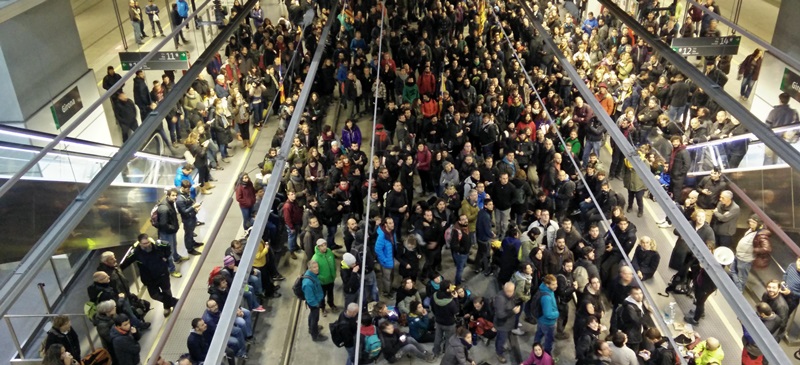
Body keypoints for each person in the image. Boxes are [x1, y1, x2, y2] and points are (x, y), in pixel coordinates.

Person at [121, 234, 179, 316]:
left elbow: (168, 246)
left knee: (166, 291)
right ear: (140, 243)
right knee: (154, 295)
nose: (147, 244)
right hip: (149, 278)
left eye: (148, 242)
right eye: (144, 243)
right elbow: (126, 262)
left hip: (162, 274)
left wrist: (165, 257)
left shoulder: (158, 245)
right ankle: (175, 302)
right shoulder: (136, 252)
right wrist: (118, 269)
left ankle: (167, 307)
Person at [731, 215, 765, 292]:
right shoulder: (751, 229)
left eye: (754, 222)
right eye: (750, 221)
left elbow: (765, 248)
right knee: (732, 270)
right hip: (738, 255)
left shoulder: (759, 235)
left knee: (741, 278)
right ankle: (736, 287)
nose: (751, 223)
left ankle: (739, 292)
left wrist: (755, 250)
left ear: (758, 224)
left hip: (745, 260)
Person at [156, 188, 186, 273]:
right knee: (168, 252)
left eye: (176, 195)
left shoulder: (171, 203)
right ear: (167, 196)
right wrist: (173, 228)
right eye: (173, 195)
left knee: (174, 245)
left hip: (171, 232)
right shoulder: (164, 208)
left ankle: (176, 257)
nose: (175, 197)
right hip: (166, 233)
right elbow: (163, 224)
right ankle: (171, 269)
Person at [431, 280, 459, 358]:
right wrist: (456, 298)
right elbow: (456, 312)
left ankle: (436, 352)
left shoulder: (434, 295)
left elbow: (432, 307)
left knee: (438, 337)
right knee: (449, 340)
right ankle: (447, 355)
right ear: (447, 289)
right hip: (449, 324)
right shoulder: (451, 302)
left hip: (438, 321)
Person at [176, 180, 204, 256]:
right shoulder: (180, 200)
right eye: (187, 189)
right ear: (183, 188)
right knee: (188, 234)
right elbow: (184, 211)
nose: (189, 190)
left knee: (191, 232)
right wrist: (193, 207)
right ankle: (190, 249)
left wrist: (194, 210)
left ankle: (192, 242)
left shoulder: (185, 194)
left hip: (192, 215)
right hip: (187, 219)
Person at [533, 274, 559, 355]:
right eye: (553, 284)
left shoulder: (544, 289)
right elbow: (548, 314)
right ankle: (547, 354)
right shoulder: (546, 297)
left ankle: (535, 348)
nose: (556, 286)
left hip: (540, 320)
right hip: (548, 323)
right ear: (547, 284)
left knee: (539, 334)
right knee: (549, 340)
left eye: (556, 283)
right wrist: (557, 313)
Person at [302, 260, 327, 341]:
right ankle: (315, 335)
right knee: (315, 319)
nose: (317, 269)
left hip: (316, 301)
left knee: (312, 316)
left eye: (317, 267)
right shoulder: (307, 283)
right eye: (314, 267)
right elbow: (310, 297)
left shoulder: (312, 275)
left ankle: (311, 328)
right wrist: (316, 304)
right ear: (310, 268)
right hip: (314, 304)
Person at [312, 239, 338, 316]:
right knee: (321, 296)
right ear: (318, 247)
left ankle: (331, 304)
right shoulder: (315, 258)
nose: (324, 247)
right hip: (322, 282)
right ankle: (322, 308)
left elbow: (333, 262)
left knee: (330, 293)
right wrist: (321, 278)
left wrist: (334, 272)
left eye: (325, 245)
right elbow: (314, 272)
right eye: (322, 246)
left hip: (331, 279)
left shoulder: (329, 252)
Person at [375, 216, 397, 297]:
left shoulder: (391, 232)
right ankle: (386, 292)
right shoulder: (382, 236)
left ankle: (390, 289)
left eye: (393, 222)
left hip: (391, 258)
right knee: (386, 278)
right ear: (385, 224)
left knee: (391, 276)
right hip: (386, 262)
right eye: (390, 223)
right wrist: (384, 260)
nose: (392, 225)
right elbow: (377, 249)